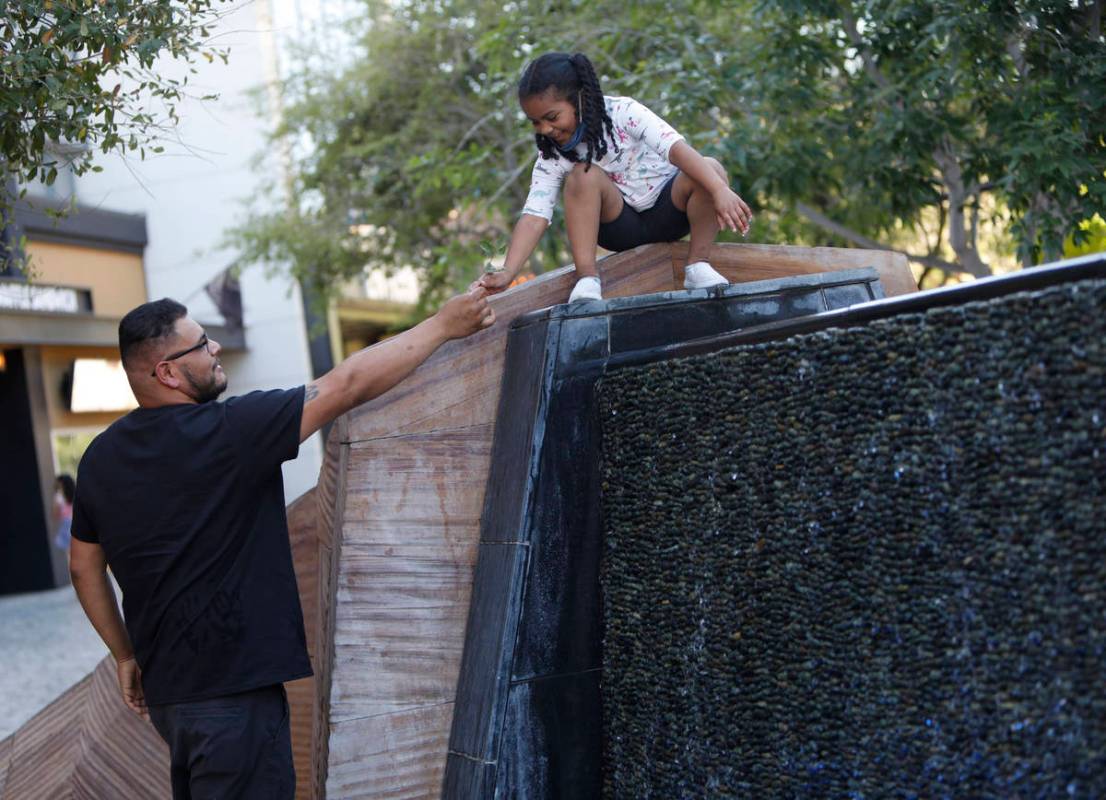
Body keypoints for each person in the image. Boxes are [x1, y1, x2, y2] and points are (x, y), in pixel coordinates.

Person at [68, 289, 494, 799]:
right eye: (202, 344)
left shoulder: (98, 458)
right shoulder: (229, 433)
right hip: (236, 700)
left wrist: (123, 654)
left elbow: (82, 567)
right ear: (166, 372)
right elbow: (348, 384)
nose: (216, 348)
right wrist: (444, 325)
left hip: (173, 702)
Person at [477, 51, 753, 303]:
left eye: (551, 117)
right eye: (536, 122)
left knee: (709, 169)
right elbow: (535, 216)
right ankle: (587, 280)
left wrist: (719, 190)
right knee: (582, 175)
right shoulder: (552, 154)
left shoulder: (624, 113)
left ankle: (697, 266)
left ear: (579, 99)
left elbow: (676, 149)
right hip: (621, 227)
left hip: (670, 212)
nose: (545, 129)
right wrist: (508, 272)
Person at [53, 473, 75, 550]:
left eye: (60, 486)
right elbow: (55, 515)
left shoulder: (76, 496)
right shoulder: (59, 498)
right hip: (66, 529)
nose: (59, 489)